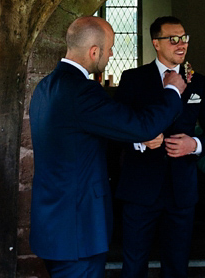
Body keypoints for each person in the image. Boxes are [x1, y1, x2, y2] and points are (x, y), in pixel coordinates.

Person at [30, 16, 188, 278]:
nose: (112, 53)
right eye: (110, 47)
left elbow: (81, 136)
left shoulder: (44, 87)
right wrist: (172, 91)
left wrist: (135, 138)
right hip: (78, 229)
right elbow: (141, 125)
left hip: (52, 223)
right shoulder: (82, 91)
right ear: (94, 51)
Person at [115, 16, 205, 278]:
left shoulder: (198, 82)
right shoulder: (133, 79)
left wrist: (194, 144)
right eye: (173, 39)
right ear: (156, 43)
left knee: (177, 266)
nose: (181, 44)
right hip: (140, 190)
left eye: (184, 38)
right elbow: (114, 129)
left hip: (181, 190)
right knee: (133, 265)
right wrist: (139, 140)